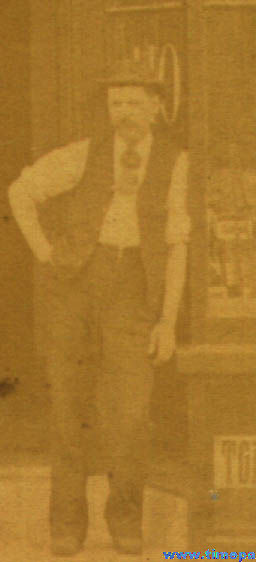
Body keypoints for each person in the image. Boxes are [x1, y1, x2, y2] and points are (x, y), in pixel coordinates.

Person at [8, 59, 190, 556]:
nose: (124, 112)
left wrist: (168, 321)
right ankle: (67, 526)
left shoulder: (175, 163)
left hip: (134, 293)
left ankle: (125, 521)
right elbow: (20, 191)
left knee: (130, 414)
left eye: (134, 102)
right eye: (116, 104)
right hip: (75, 289)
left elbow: (178, 246)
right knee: (67, 411)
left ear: (155, 108)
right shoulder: (83, 155)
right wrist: (46, 253)